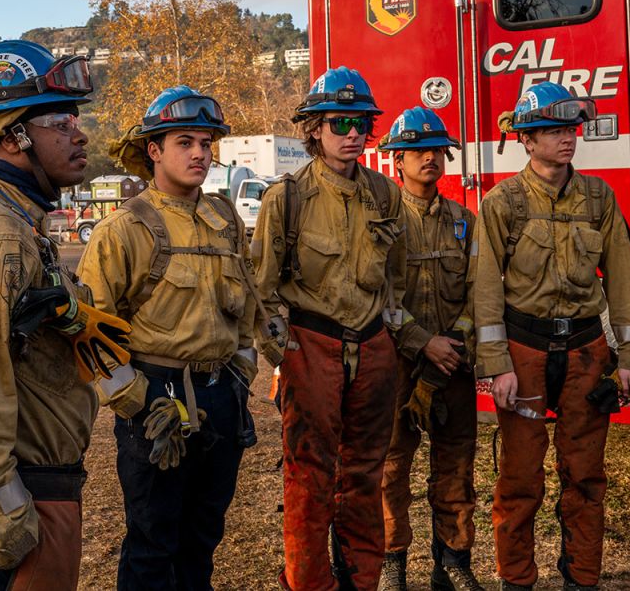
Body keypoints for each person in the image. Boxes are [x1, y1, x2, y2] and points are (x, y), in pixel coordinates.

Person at [0, 40, 130, 590]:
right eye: (60, 121)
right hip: (16, 512)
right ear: (13, 136)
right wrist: (9, 527)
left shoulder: (22, 225)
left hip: (42, 492)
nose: (79, 134)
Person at [78, 86, 259, 590]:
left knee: (203, 537)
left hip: (221, 396)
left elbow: (247, 305)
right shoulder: (121, 230)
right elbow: (90, 329)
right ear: (154, 150)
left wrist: (240, 376)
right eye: (185, 142)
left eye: (206, 142)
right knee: (153, 542)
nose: (200, 152)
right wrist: (137, 400)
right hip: (156, 399)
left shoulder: (225, 221)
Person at [473, 81, 630, 591]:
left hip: (587, 353)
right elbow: (485, 290)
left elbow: (622, 279)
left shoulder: (599, 198)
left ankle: (582, 580)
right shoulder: (502, 201)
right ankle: (516, 581)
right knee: (520, 479)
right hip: (523, 351)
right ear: (526, 139)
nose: (566, 138)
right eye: (551, 130)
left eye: (570, 128)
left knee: (586, 477)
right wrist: (497, 364)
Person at [251, 67, 407, 591]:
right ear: (314, 128)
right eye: (340, 122)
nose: (353, 133)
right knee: (309, 477)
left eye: (361, 122)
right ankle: (308, 582)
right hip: (310, 347)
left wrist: (391, 339)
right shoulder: (287, 198)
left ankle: (362, 580)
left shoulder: (386, 195)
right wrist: (284, 355)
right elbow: (262, 290)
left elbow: (397, 281)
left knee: (366, 474)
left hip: (372, 348)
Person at [376, 108, 483, 591]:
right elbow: (380, 297)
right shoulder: (382, 223)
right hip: (396, 365)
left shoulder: (465, 222)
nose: (429, 158)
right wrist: (423, 343)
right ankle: (392, 563)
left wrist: (453, 345)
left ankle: (454, 563)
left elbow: (480, 294)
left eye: (437, 150)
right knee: (391, 467)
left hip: (454, 366)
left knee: (456, 464)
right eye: (417, 150)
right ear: (396, 159)